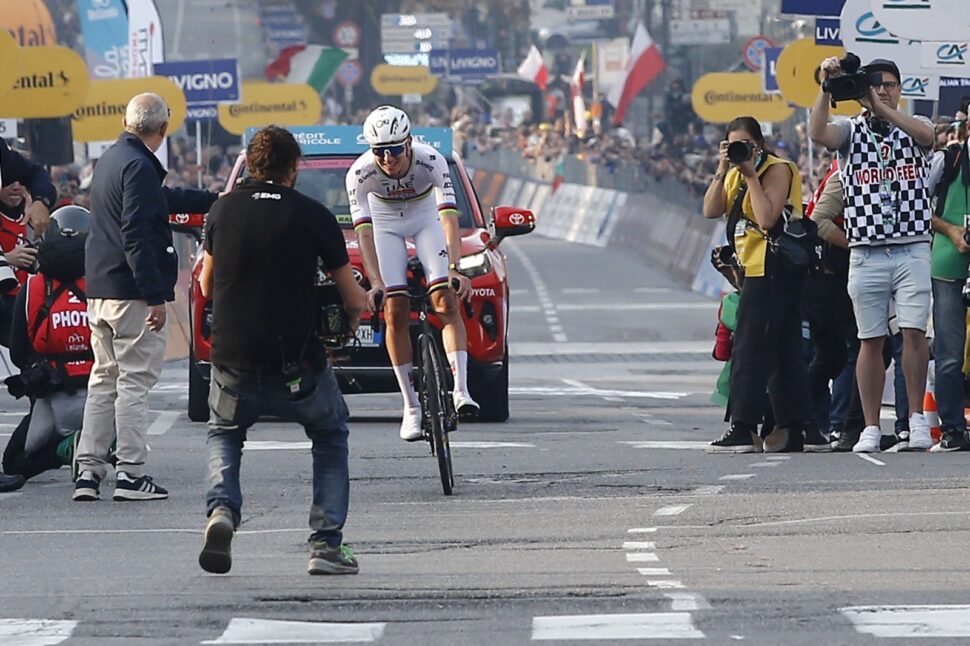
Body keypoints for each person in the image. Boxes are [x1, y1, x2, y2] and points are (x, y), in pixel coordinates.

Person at [197, 125, 366, 576]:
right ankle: (326, 545)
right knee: (329, 435)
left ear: (251, 166)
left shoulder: (221, 211)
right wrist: (348, 325)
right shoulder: (312, 216)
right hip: (298, 362)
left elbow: (206, 283)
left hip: (233, 358)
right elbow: (352, 298)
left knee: (225, 432)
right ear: (295, 168)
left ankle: (222, 511)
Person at [72, 93, 219, 502]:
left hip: (100, 289)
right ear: (163, 128)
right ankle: (131, 474)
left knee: (104, 381)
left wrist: (211, 200)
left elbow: (162, 202)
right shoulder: (138, 166)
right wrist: (155, 295)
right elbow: (136, 232)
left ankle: (88, 471)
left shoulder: (113, 160)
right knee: (134, 383)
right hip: (132, 292)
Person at [809, 57, 936, 453]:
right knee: (870, 339)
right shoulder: (850, 130)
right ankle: (868, 426)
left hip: (911, 244)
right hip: (866, 250)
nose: (883, 90)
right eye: (875, 85)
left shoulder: (915, 129)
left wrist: (881, 108)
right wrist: (826, 86)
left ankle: (916, 419)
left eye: (890, 85)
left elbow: (928, 138)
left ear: (900, 89)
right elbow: (818, 133)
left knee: (914, 332)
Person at [346, 105, 478, 442]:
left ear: (408, 143)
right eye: (379, 151)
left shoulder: (431, 160)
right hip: (385, 223)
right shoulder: (360, 174)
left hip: (424, 218)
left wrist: (454, 268)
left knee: (445, 301)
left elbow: (448, 218)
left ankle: (460, 391)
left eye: (393, 150)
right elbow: (364, 234)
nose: (387, 159)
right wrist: (376, 284)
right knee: (395, 310)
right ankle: (411, 408)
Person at [702, 116, 826, 453]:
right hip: (753, 268)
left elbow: (767, 218)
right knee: (785, 351)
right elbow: (711, 209)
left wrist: (751, 175)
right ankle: (799, 428)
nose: (744, 152)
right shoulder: (732, 173)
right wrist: (722, 167)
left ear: (762, 144)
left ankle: (744, 427)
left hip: (773, 268)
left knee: (749, 349)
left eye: (749, 145)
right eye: (735, 146)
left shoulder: (778, 169)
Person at [1, 206, 97, 480]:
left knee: (14, 463)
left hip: (52, 392)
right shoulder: (104, 282)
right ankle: (110, 450)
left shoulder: (32, 286)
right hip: (100, 397)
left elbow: (19, 353)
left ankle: (66, 449)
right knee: (124, 437)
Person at [928, 115, 970, 450]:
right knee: (950, 353)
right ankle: (953, 428)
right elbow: (912, 206)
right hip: (948, 262)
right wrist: (950, 230)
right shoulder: (948, 159)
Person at [0, 138, 56, 346]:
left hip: (22, 300)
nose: (15, 188)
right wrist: (6, 260)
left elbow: (35, 174)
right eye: (7, 183)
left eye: (19, 183)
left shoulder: (30, 217)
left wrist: (41, 201)